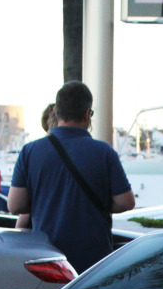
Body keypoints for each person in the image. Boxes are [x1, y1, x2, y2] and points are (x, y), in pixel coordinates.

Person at [8, 81, 135, 272]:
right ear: (87, 114)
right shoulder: (104, 153)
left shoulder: (30, 151)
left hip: (48, 261)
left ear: (57, 111)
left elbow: (15, 205)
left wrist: (45, 201)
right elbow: (126, 202)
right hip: (93, 263)